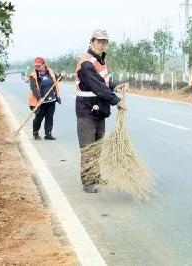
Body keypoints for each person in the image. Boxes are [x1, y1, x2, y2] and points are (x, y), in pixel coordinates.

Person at [75, 29, 127, 193]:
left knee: (97, 146)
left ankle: (95, 176)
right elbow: (97, 86)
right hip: (87, 110)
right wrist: (116, 100)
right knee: (88, 147)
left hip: (100, 109)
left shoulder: (100, 60)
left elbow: (103, 80)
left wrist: (114, 86)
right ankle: (88, 182)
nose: (101, 44)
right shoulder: (86, 63)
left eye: (104, 42)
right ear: (91, 42)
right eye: (98, 41)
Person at [28, 56, 61, 140]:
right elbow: (33, 88)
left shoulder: (50, 71)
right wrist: (39, 98)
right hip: (40, 102)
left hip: (51, 100)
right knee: (38, 118)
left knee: (49, 117)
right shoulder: (33, 75)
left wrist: (61, 75)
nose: (37, 67)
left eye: (39, 66)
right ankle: (35, 134)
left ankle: (48, 134)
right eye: (36, 66)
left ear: (44, 64)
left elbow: (57, 79)